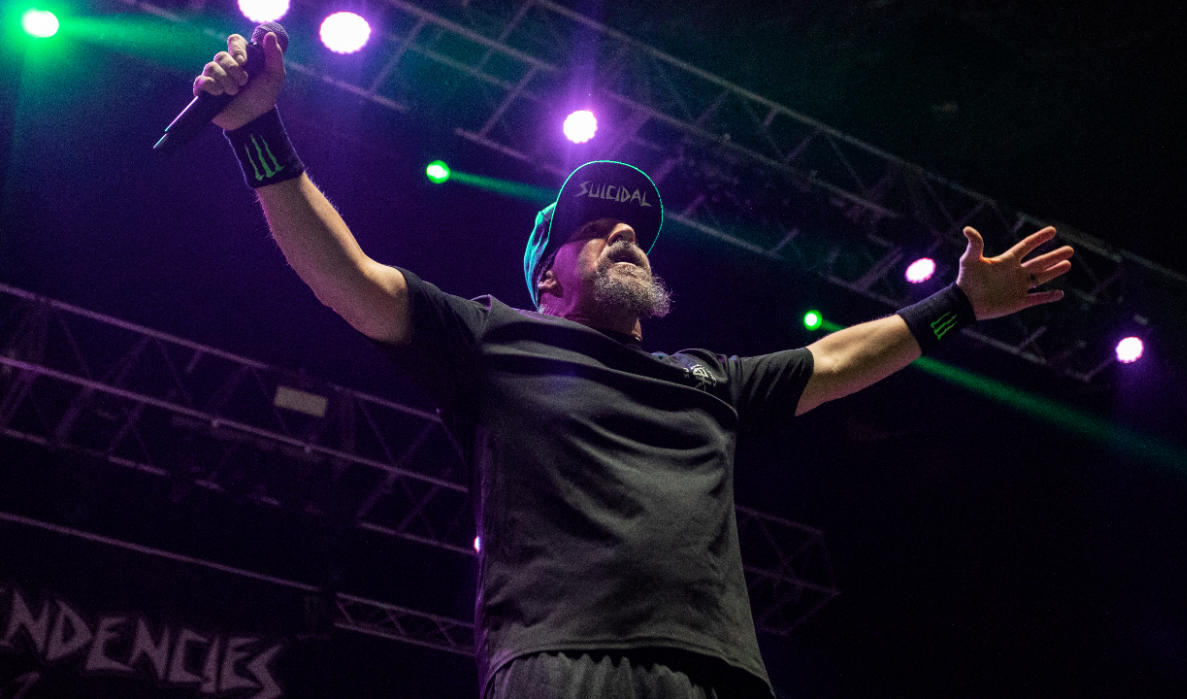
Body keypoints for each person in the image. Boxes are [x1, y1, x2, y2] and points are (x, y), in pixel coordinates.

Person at [194, 31, 1074, 699]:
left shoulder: (710, 380)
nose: (625, 234)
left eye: (636, 232)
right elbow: (348, 279)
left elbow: (838, 357)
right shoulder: (499, 338)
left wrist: (958, 305)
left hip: (717, 673)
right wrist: (257, 131)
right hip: (565, 661)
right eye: (595, 228)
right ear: (549, 277)